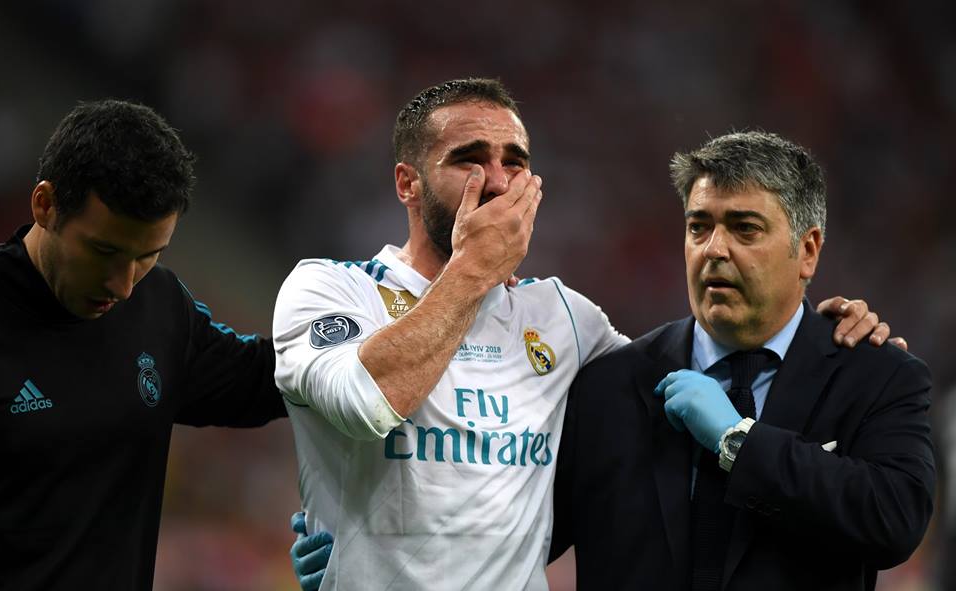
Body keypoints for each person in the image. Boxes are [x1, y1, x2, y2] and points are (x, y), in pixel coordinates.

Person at [276, 80, 897, 590]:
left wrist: (826, 342)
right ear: (407, 182)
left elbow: (697, 370)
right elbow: (368, 403)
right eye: (469, 159)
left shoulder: (564, 318)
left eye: (515, 163)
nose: (498, 181)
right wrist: (473, 270)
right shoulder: (331, 290)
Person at [549, 131, 935, 590]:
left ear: (807, 250)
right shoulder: (608, 385)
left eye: (745, 228)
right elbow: (522, 538)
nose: (714, 249)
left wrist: (739, 442)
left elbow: (895, 521)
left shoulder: (877, 377)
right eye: (699, 227)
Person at [0, 100, 330, 590]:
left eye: (147, 255)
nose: (122, 285)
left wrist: (397, 307)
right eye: (103, 251)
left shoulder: (159, 305)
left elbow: (271, 378)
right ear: (45, 205)